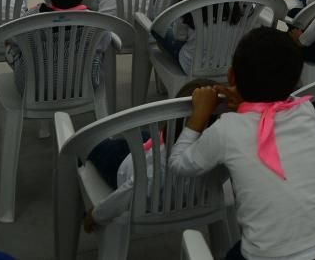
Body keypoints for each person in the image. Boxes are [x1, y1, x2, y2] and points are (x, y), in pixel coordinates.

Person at [169, 28, 315, 260]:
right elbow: (268, 107)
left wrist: (199, 115)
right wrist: (249, 99)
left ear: (231, 77)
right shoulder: (305, 110)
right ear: (295, 80)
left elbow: (179, 164)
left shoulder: (227, 128)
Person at [82, 78, 218, 233]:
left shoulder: (158, 168)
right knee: (144, 135)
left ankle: (83, 156)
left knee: (100, 146)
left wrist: (95, 215)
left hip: (125, 167)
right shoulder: (221, 155)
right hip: (192, 197)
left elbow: (126, 192)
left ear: (174, 122)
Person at [5, 0, 108, 93]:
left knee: (14, 48)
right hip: (84, 87)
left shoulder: (29, 19)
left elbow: (12, 41)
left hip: (31, 89)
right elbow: (104, 44)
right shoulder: (98, 23)